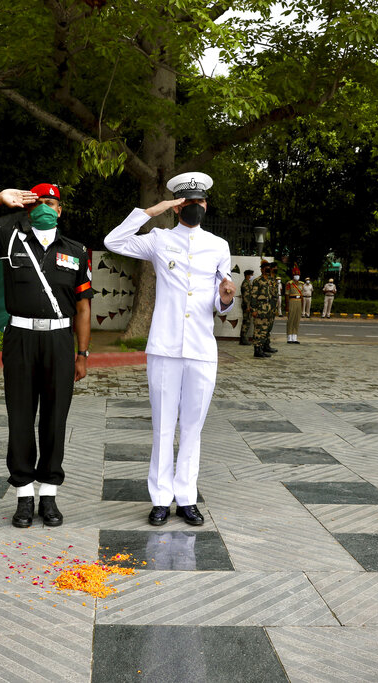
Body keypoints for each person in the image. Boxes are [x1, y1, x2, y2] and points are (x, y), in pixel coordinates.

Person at [0, 183, 92, 529]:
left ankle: (49, 494)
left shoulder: (77, 250)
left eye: (52, 203)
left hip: (60, 337)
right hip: (21, 337)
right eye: (40, 202)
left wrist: (83, 353)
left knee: (55, 417)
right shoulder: (10, 238)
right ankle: (24, 494)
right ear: (30, 208)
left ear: (60, 210)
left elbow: (84, 307)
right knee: (20, 414)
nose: (46, 207)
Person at [104, 171, 235, 526]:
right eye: (188, 203)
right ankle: (161, 498)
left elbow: (218, 297)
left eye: (200, 202)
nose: (196, 208)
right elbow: (114, 241)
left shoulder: (218, 246)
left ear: (206, 205)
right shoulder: (159, 239)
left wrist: (225, 300)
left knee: (193, 426)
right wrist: (152, 210)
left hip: (201, 347)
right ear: (179, 208)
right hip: (164, 346)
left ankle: (187, 498)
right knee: (163, 426)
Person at [250, 260, 276, 358]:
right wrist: (253, 310)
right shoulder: (257, 281)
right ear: (262, 269)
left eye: (269, 268)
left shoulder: (269, 281)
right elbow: (253, 296)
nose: (268, 270)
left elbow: (272, 295)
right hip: (260, 309)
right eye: (266, 268)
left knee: (265, 330)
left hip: (268, 309)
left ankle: (261, 348)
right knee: (258, 330)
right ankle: (257, 350)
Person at [239, 269, 255, 345]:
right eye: (251, 275)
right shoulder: (245, 284)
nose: (252, 276)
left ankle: (243, 338)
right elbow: (246, 296)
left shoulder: (248, 283)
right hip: (246, 306)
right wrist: (248, 306)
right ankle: (243, 339)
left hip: (248, 305)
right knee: (246, 322)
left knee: (247, 322)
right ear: (248, 275)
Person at [285, 274, 303, 343]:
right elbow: (287, 294)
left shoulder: (301, 284)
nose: (297, 276)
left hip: (299, 302)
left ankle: (295, 337)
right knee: (291, 319)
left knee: (297, 319)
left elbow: (302, 295)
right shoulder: (289, 283)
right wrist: (287, 305)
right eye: (296, 275)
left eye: (298, 275)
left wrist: (302, 305)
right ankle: (289, 337)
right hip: (292, 301)